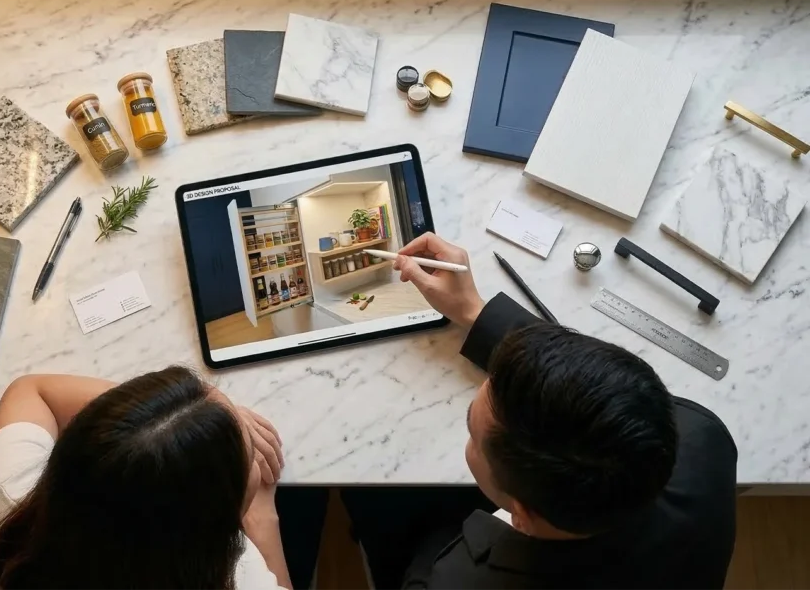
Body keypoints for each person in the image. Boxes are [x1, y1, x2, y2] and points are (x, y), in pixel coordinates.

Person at [279, 233, 738, 590]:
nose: (485, 381)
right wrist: (475, 311)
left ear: (518, 515)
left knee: (378, 500)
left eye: (472, 434)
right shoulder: (703, 441)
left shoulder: (454, 581)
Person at [0, 365, 292, 590]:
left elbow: (31, 391)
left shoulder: (12, 511)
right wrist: (261, 517)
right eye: (250, 456)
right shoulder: (246, 577)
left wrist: (170, 419)